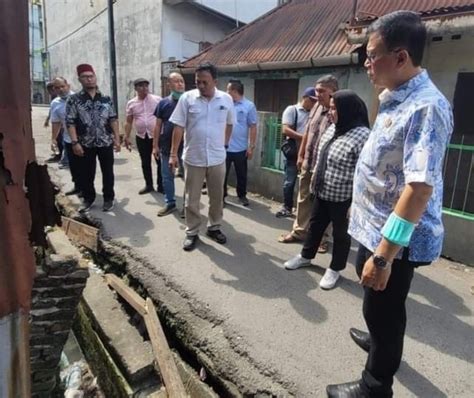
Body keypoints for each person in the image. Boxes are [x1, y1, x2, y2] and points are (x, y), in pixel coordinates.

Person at [326, 11, 453, 398]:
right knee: (377, 304)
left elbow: (418, 190)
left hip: (395, 239)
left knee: (384, 304)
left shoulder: (425, 107)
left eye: (372, 54)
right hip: (374, 223)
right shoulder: (396, 96)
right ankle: (379, 338)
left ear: (401, 57)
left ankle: (375, 386)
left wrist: (383, 257)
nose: (365, 62)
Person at [284, 90, 370, 290]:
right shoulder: (333, 128)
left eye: (334, 108)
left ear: (347, 110)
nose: (330, 112)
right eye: (330, 108)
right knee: (315, 226)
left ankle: (335, 269)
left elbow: (364, 174)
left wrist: (356, 203)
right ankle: (306, 256)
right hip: (322, 191)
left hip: (344, 198)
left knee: (340, 234)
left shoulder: (363, 136)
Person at [169, 62, 235, 251]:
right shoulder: (187, 98)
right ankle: (192, 231)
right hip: (194, 157)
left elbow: (230, 124)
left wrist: (224, 144)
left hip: (217, 158)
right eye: (198, 82)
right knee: (192, 199)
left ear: (215, 81)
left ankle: (214, 227)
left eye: (205, 82)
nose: (201, 85)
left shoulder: (226, 99)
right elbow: (179, 126)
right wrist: (173, 154)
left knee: (217, 197)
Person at [278, 75, 338, 252]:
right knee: (303, 198)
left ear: (333, 92)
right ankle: (299, 232)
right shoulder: (317, 107)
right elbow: (308, 132)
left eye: (321, 91)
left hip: (326, 166)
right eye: (316, 90)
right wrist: (301, 155)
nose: (317, 94)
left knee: (324, 203)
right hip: (308, 162)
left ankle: (322, 238)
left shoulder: (339, 110)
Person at [66, 63, 121, 213]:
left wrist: (117, 138)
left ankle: (108, 198)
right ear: (80, 80)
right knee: (87, 173)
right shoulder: (74, 100)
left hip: (105, 141)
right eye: (85, 77)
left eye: (91, 76)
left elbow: (113, 119)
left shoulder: (106, 99)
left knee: (108, 172)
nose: (89, 79)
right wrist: (75, 142)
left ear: (95, 77)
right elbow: (70, 122)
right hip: (85, 143)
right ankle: (88, 198)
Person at [276, 87, 316, 218]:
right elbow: (285, 130)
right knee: (290, 181)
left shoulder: (315, 112)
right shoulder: (292, 110)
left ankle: (305, 212)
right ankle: (287, 206)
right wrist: (303, 137)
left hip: (309, 154)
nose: (315, 103)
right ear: (305, 98)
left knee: (308, 184)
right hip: (294, 152)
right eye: (312, 100)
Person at [152, 72, 186, 216]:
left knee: (189, 178)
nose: (180, 84)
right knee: (167, 176)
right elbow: (158, 126)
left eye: (182, 81)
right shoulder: (163, 103)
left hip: (187, 147)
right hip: (166, 146)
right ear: (169, 85)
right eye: (176, 81)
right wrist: (155, 146)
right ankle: (170, 203)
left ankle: (188, 206)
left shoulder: (190, 101)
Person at [124, 78, 163, 194]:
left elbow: (163, 118)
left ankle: (161, 185)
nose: (144, 88)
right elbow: (129, 121)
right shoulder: (131, 103)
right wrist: (126, 136)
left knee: (160, 161)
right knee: (145, 162)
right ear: (135, 88)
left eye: (146, 85)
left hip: (156, 136)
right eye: (140, 86)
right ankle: (149, 185)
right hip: (141, 136)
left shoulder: (157, 100)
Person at [224, 80, 257, 207]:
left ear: (234, 91)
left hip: (241, 148)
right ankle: (221, 197)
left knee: (242, 174)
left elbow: (253, 126)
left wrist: (251, 146)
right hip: (225, 147)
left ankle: (242, 195)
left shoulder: (249, 106)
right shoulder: (225, 104)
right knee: (222, 174)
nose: (226, 92)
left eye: (228, 90)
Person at [50, 77, 80, 195]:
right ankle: (78, 186)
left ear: (68, 85)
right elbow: (56, 122)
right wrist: (53, 139)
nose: (61, 89)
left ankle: (87, 190)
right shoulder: (55, 103)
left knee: (85, 167)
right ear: (54, 89)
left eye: (62, 86)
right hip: (68, 140)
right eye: (57, 87)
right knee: (73, 166)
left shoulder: (78, 99)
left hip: (83, 140)